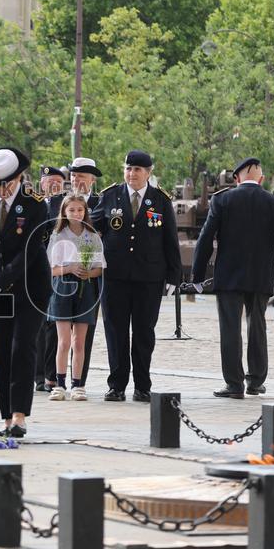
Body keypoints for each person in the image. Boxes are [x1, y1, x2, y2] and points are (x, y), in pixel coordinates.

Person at [191, 157, 274, 399]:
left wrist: (198, 275)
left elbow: (205, 238)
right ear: (261, 179)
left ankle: (234, 384)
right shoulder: (273, 202)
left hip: (229, 275)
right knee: (257, 326)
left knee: (230, 329)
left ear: (236, 178)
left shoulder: (222, 199)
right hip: (260, 274)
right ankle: (255, 381)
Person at [92, 150, 181, 402]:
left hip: (148, 277)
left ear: (148, 173)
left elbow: (170, 240)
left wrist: (174, 276)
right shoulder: (110, 196)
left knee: (144, 332)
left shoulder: (160, 200)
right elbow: (91, 228)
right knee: (115, 330)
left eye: (137, 170)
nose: (132, 174)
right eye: (128, 168)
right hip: (114, 276)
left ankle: (143, 385)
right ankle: (116, 385)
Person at [0, 147, 51, 438]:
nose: (0, 189)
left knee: (23, 347)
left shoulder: (36, 205)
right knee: (4, 350)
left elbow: (29, 253)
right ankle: (6, 417)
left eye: (5, 183)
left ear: (19, 177)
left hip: (30, 285)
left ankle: (20, 415)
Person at [46, 195, 104, 401]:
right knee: (63, 341)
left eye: (80, 210)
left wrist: (89, 273)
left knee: (79, 341)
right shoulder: (58, 235)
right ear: (64, 212)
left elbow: (99, 268)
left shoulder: (92, 235)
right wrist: (70, 267)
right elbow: (51, 269)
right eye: (72, 210)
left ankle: (78, 384)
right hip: (63, 287)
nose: (76, 214)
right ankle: (59, 384)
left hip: (85, 288)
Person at [67, 157, 103, 390]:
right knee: (57, 332)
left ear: (92, 179)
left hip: (91, 277)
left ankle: (78, 380)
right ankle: (53, 378)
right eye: (73, 175)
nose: (76, 179)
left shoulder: (104, 202)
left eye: (81, 175)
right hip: (62, 275)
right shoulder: (62, 202)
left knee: (83, 333)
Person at [34, 165, 68, 393]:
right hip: (36, 270)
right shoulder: (33, 204)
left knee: (55, 325)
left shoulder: (65, 205)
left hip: (59, 270)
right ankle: (38, 377)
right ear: (41, 183)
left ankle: (52, 375)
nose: (52, 185)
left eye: (57, 181)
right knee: (36, 325)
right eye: (48, 181)